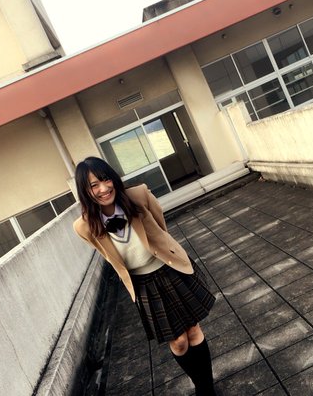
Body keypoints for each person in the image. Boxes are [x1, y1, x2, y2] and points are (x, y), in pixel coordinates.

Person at [73, 157, 216, 395]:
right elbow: (107, 255)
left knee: (193, 331)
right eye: (94, 185)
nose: (103, 189)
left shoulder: (138, 196)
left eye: (106, 180)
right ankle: (201, 384)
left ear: (113, 178)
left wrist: (166, 254)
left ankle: (206, 390)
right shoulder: (84, 226)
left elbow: (160, 227)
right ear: (84, 191)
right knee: (179, 341)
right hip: (143, 284)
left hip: (169, 268)